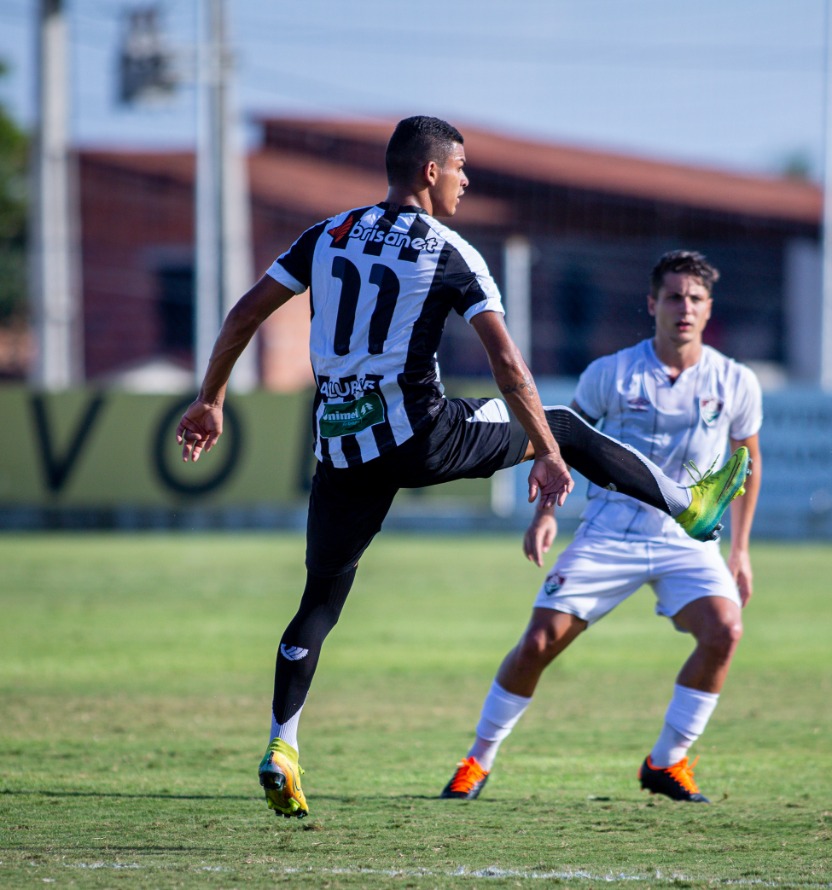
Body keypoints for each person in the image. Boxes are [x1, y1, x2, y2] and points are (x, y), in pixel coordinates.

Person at [174, 117, 751, 818]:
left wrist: (210, 400)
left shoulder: (323, 235)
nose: (466, 181)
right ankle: (687, 503)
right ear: (429, 173)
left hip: (341, 449)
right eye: (461, 169)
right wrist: (543, 449)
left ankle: (282, 745)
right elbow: (509, 365)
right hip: (421, 435)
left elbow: (242, 317)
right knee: (565, 424)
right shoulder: (451, 253)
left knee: (319, 601)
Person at [440, 249, 762, 804]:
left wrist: (740, 550)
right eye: (673, 297)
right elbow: (558, 444)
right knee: (539, 641)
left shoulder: (736, 381)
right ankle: (479, 758)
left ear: (709, 310)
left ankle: (668, 761)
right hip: (609, 532)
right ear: (652, 304)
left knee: (725, 632)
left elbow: (747, 465)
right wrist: (545, 515)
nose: (683, 308)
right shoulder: (610, 373)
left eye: (694, 299)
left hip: (686, 540)